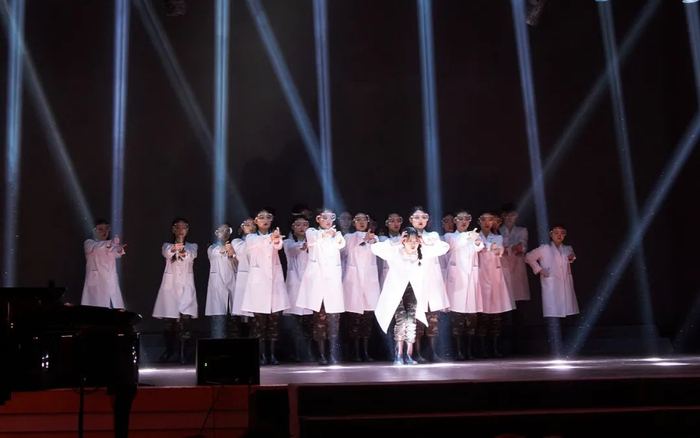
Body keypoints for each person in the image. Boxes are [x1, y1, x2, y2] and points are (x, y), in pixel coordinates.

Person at [372, 227, 449, 365]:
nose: (413, 244)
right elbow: (375, 248)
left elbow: (444, 247)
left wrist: (425, 242)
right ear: (404, 241)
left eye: (415, 241)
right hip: (397, 292)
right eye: (409, 241)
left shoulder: (422, 252)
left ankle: (408, 354)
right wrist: (396, 243)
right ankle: (398, 355)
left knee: (411, 321)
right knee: (401, 321)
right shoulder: (395, 252)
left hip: (414, 291)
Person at [296, 208, 347, 365]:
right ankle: (321, 355)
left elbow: (341, 244)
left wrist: (333, 235)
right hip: (318, 281)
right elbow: (312, 240)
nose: (328, 220)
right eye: (324, 217)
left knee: (333, 320)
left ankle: (333, 354)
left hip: (333, 282)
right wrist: (324, 235)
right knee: (319, 320)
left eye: (331, 217)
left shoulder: (337, 234)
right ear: (318, 219)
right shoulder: (312, 231)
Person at [241, 208, 290, 365]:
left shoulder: (275, 236)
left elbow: (278, 245)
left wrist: (274, 239)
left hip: (274, 284)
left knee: (273, 324)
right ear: (256, 221)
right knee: (259, 324)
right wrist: (270, 237)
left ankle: (272, 355)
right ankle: (261, 355)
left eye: (268, 217)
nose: (265, 220)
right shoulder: (251, 237)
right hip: (258, 285)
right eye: (261, 217)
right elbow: (255, 243)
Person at [525, 223, 579, 356]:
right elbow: (528, 257)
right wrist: (539, 269)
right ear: (551, 234)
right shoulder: (544, 248)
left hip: (565, 286)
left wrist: (571, 257)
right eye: (556, 232)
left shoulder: (567, 248)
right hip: (551, 286)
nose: (559, 235)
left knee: (565, 318)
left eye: (562, 233)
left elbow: (571, 256)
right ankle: (553, 349)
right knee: (553, 318)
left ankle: (565, 348)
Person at [153, 218, 198, 364]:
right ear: (173, 229)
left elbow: (190, 255)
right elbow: (167, 253)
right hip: (170, 289)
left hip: (186, 289)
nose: (181, 230)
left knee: (185, 323)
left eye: (184, 227)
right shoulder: (167, 246)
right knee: (169, 323)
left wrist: (182, 251)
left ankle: (182, 353)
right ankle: (169, 350)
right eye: (178, 227)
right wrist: (175, 248)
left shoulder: (192, 246)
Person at [408, 206, 450, 362]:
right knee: (416, 319)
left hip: (432, 281)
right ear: (411, 220)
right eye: (417, 217)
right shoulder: (406, 236)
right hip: (415, 281)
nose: (420, 220)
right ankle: (416, 353)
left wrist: (423, 242)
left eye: (423, 217)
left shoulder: (433, 236)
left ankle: (432, 352)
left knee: (433, 319)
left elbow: (442, 249)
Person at [444, 210, 484, 360]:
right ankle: (458, 351)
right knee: (457, 318)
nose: (464, 222)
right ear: (455, 221)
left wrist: (476, 240)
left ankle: (469, 350)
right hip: (457, 281)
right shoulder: (450, 236)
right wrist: (468, 236)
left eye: (467, 219)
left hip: (471, 280)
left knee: (471, 318)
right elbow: (454, 246)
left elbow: (479, 246)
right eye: (460, 219)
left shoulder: (472, 236)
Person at [343, 212, 381, 362]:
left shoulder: (375, 238)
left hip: (369, 281)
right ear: (353, 223)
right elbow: (350, 246)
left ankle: (365, 351)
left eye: (364, 219)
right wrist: (364, 238)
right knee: (354, 319)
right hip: (354, 281)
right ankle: (356, 352)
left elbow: (378, 250)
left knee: (367, 319)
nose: (361, 222)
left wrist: (372, 241)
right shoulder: (348, 237)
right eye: (358, 220)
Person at [477, 212, 515, 358]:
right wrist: (488, 247)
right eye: (484, 220)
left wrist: (495, 249)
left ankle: (494, 348)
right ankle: (481, 348)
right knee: (483, 316)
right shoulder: (475, 237)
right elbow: (479, 248)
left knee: (496, 315)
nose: (487, 222)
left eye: (490, 220)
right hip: (480, 276)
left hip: (495, 277)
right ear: (479, 221)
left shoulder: (498, 237)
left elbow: (499, 251)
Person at [283, 216, 315, 362]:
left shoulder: (314, 242)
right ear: (293, 227)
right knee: (296, 324)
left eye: (305, 224)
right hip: (295, 284)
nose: (302, 227)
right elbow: (292, 250)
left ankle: (308, 353)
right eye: (298, 225)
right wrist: (304, 246)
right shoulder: (288, 242)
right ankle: (296, 353)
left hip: (310, 285)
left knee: (309, 323)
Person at [81, 219, 127, 309]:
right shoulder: (89, 243)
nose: (104, 232)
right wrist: (111, 243)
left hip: (110, 281)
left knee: (113, 306)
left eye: (106, 229)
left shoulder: (110, 245)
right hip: (97, 283)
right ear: (94, 231)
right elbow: (98, 248)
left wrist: (118, 249)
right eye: (101, 229)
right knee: (97, 308)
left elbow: (115, 252)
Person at [204, 222, 237, 339]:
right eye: (222, 230)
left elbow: (237, 262)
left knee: (233, 322)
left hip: (232, 283)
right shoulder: (212, 247)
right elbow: (216, 253)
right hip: (218, 285)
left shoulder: (234, 247)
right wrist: (225, 249)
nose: (225, 233)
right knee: (218, 319)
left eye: (228, 230)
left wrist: (233, 254)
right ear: (216, 233)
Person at [500, 203, 531, 302]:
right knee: (503, 299)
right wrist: (513, 248)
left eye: (512, 215)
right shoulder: (498, 231)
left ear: (516, 216)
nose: (509, 218)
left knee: (518, 299)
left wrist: (514, 248)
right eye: (507, 215)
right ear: (502, 216)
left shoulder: (521, 230)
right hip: (502, 266)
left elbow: (522, 247)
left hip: (517, 266)